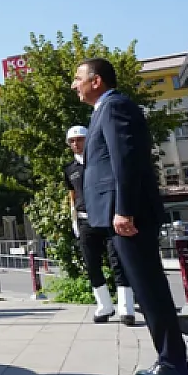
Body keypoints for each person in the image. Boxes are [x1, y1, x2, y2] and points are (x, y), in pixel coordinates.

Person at [73, 58, 188, 375]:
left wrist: (123, 209)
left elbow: (126, 160)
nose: (74, 84)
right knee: (145, 289)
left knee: (150, 289)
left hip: (128, 216)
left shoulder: (114, 107)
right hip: (119, 215)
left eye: (78, 78)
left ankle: (173, 365)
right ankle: (170, 360)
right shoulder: (102, 110)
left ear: (96, 81)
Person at [64, 125, 136, 326]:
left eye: (80, 139)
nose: (76, 144)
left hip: (108, 217)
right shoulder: (69, 169)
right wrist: (74, 220)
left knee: (118, 262)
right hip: (85, 219)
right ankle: (104, 305)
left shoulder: (103, 161)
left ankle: (126, 308)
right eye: (72, 141)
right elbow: (72, 195)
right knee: (91, 264)